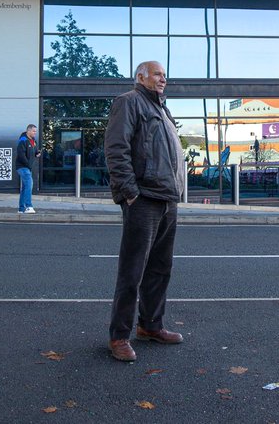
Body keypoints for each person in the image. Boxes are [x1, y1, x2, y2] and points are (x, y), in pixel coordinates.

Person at [105, 61, 184, 362]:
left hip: (167, 198)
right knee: (133, 271)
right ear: (140, 77)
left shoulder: (163, 109)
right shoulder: (128, 102)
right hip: (144, 199)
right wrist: (130, 194)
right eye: (157, 74)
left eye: (165, 74)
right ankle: (119, 336)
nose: (163, 78)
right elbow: (116, 148)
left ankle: (151, 326)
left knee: (160, 268)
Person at [14, 124, 41, 214]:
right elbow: (21, 155)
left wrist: (37, 153)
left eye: (35, 131)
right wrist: (28, 164)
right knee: (29, 184)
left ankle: (21, 209)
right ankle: (29, 206)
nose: (35, 133)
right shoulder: (23, 140)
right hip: (22, 167)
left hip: (27, 167)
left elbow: (35, 151)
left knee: (25, 187)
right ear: (28, 131)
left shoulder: (33, 141)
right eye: (33, 131)